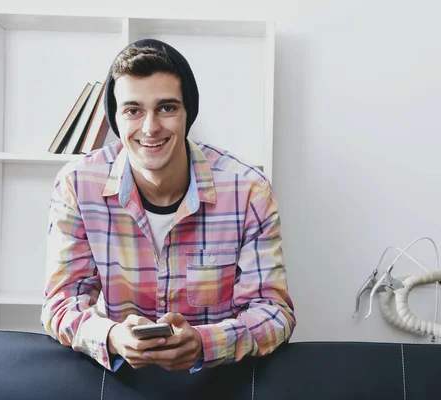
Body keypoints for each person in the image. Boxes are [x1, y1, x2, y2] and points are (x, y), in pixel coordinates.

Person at [41, 38, 296, 373]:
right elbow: (60, 305)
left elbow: (274, 311)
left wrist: (206, 343)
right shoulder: (77, 185)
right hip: (120, 378)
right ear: (116, 119)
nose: (150, 127)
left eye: (167, 108)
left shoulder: (248, 190)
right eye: (133, 110)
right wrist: (113, 336)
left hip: (217, 382)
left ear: (187, 113)